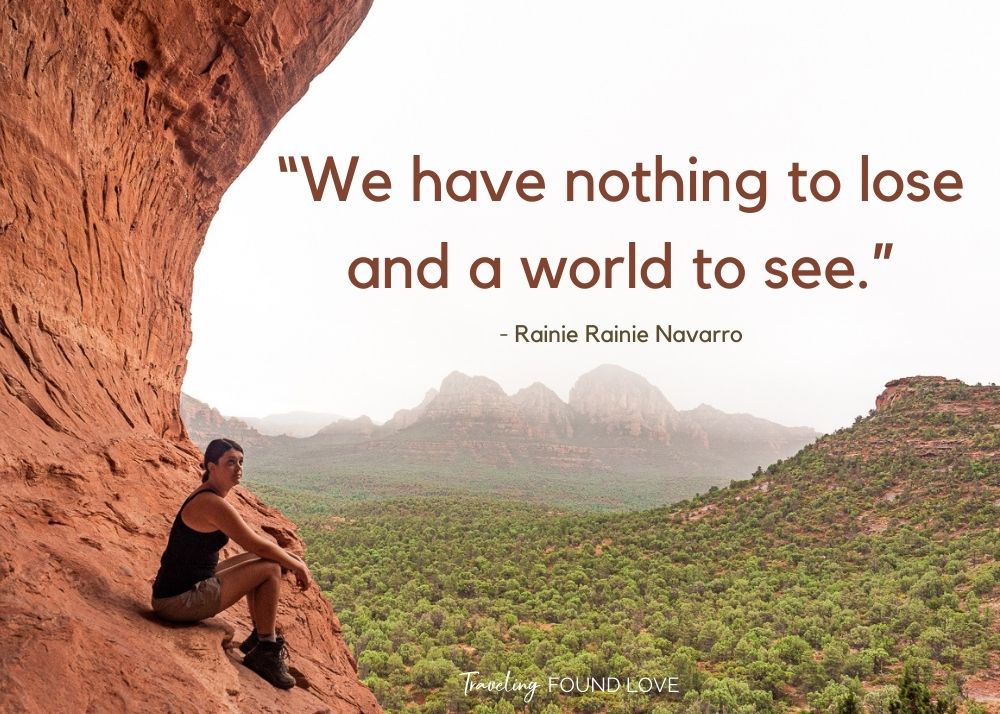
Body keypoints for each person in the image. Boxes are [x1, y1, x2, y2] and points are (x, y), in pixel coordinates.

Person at [151, 438, 313, 689]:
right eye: (230, 462)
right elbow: (254, 543)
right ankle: (266, 650)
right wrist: (298, 565)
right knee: (269, 567)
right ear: (211, 466)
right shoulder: (210, 503)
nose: (238, 468)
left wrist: (289, 559)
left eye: (241, 462)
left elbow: (259, 548)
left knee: (269, 560)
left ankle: (258, 637)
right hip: (177, 602)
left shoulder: (210, 496)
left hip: (185, 587)